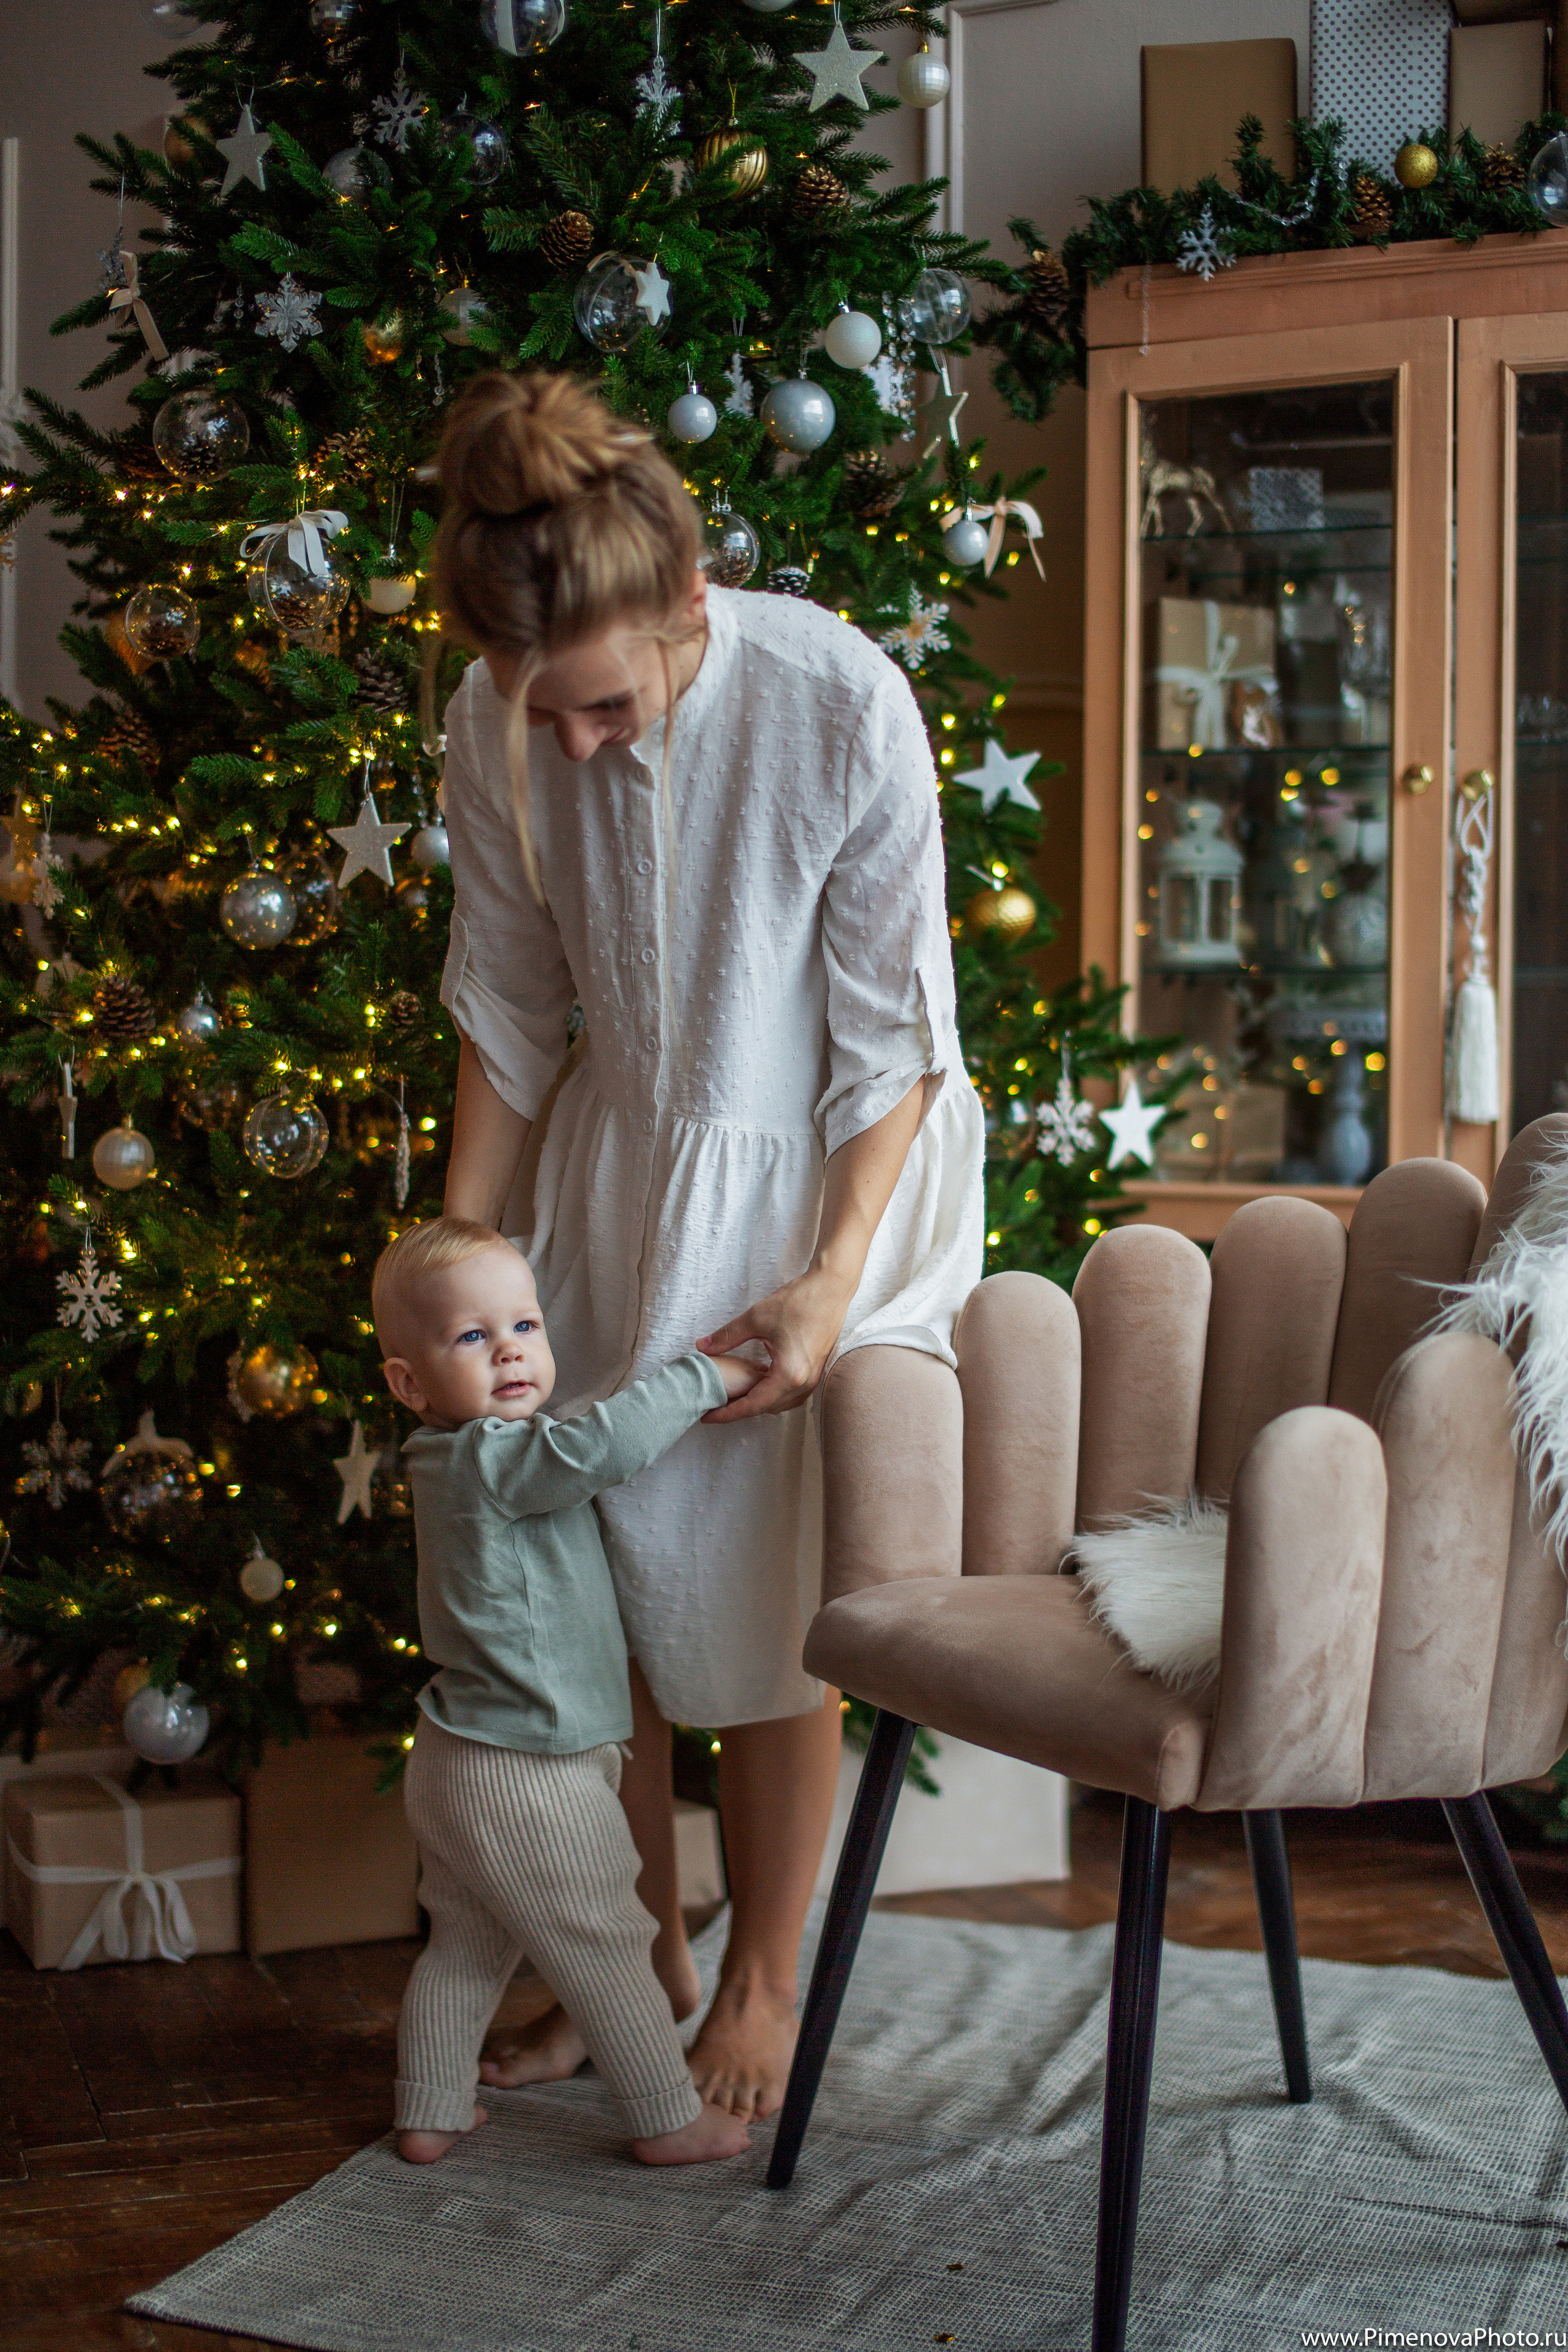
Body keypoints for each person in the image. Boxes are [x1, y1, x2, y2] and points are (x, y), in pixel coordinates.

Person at [433, 369, 984, 2121]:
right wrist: (460, 1242)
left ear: (685, 605)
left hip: (832, 1168)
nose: (571, 743)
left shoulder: (838, 699)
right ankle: (630, 1947)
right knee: (588, 1567)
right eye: (545, 710)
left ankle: (762, 1968)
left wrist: (828, 1279)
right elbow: (511, 1010)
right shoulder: (494, 707)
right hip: (616, 1156)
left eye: (601, 704)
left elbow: (892, 1043)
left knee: (756, 1585)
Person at [374, 1214, 766, 2167]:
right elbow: (601, 1449)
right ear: (410, 1383)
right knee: (608, 1940)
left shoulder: (449, 1465)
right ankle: (665, 2116)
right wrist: (707, 1375)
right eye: (472, 1337)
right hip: (527, 1772)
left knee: (466, 1946)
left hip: (459, 1758)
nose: (509, 1351)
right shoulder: (489, 1459)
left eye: (526, 1327)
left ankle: (428, 2108)